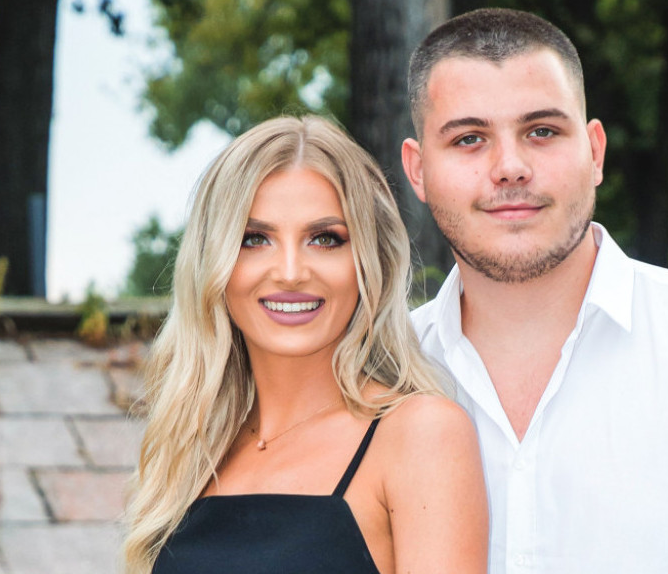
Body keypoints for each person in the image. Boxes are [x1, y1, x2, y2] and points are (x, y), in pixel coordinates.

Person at [402, 7, 668, 574]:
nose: (510, 167)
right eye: (469, 138)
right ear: (418, 170)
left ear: (595, 152)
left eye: (542, 131)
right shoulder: (376, 377)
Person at [122, 115, 488, 574]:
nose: (291, 272)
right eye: (255, 239)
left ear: (369, 261)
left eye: (324, 239)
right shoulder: (193, 447)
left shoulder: (420, 434)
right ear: (212, 261)